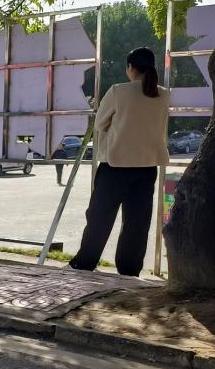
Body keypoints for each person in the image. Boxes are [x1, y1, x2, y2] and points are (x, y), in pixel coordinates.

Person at [69, 47, 169, 276]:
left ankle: (85, 263)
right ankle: (129, 270)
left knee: (100, 217)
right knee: (137, 223)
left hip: (115, 165)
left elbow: (99, 124)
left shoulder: (118, 91)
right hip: (147, 167)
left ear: (130, 67)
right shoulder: (163, 94)